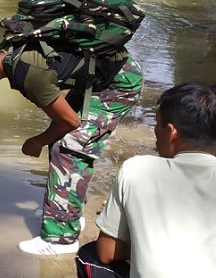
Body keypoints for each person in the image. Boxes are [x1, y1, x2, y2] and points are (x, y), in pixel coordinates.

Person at [0, 36, 143, 255]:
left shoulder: (30, 74)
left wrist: (36, 141)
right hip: (98, 77)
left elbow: (70, 122)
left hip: (118, 82)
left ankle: (61, 239)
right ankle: (68, 213)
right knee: (59, 138)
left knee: (68, 147)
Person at [75, 82, 216, 278]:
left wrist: (143, 242)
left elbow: (106, 252)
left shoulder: (137, 170)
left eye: (157, 124)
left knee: (88, 255)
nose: (155, 132)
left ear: (171, 132)